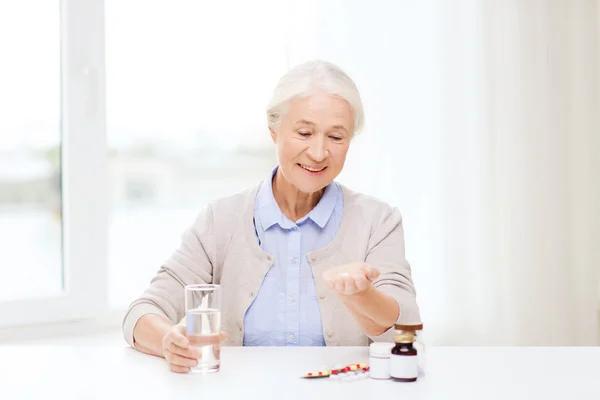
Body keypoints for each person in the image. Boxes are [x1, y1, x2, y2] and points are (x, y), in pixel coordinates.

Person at [122, 60, 421, 373]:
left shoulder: (378, 221)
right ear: (274, 131)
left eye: (336, 137)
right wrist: (168, 341)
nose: (319, 153)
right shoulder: (220, 220)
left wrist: (363, 296)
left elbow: (407, 323)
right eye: (304, 132)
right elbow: (143, 312)